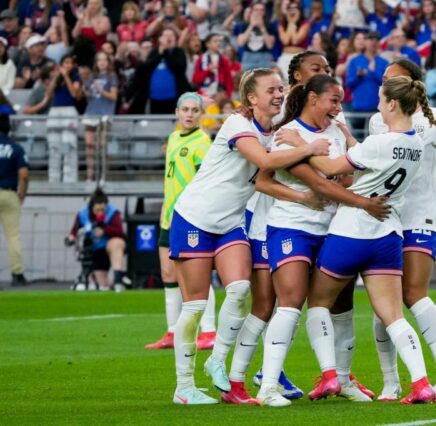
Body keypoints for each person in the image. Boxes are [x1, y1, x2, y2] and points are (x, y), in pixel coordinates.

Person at [168, 68, 329, 405]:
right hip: (194, 218)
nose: (278, 94)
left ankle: (217, 360)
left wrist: (303, 194)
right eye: (270, 89)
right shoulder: (238, 126)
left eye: (280, 89)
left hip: (230, 222)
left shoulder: (272, 131)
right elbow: (264, 161)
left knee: (240, 289)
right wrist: (308, 147)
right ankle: (184, 387)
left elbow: (262, 181)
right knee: (196, 305)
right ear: (251, 98)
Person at [254, 74, 389, 407]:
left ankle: (341, 379)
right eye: (333, 100)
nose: (338, 107)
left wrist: (343, 156)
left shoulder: (333, 133)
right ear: (313, 99)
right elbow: (322, 185)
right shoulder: (289, 137)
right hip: (292, 227)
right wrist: (365, 204)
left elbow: (345, 175)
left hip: (332, 228)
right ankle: (268, 385)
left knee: (342, 306)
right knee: (291, 299)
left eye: (341, 101)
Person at [302, 75, 434, 405]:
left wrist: (300, 146)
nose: (377, 103)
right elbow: (366, 157)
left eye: (380, 98)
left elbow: (331, 167)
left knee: (318, 303)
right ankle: (421, 383)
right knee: (393, 315)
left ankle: (331, 376)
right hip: (388, 234)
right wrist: (346, 134)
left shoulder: (379, 143)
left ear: (391, 104)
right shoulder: (416, 143)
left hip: (351, 230)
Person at [369, 58, 436, 402]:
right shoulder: (377, 120)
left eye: (391, 77)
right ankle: (391, 381)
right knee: (383, 306)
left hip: (420, 217)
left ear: (411, 83)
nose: (384, 82)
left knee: (414, 293)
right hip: (385, 217)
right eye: (384, 78)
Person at [145, 93, 217, 351]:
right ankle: (172, 331)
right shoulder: (174, 137)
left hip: (190, 216)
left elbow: (207, 182)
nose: (189, 114)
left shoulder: (203, 142)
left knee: (195, 274)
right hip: (169, 215)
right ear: (177, 112)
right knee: (167, 272)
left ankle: (209, 331)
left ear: (201, 114)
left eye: (194, 110)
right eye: (185, 109)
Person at [67, 189, 128, 291]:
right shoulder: (82, 214)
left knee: (117, 243)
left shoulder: (113, 213)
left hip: (109, 248)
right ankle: (106, 283)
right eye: (97, 209)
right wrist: (70, 238)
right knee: (100, 284)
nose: (100, 212)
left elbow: (120, 232)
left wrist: (105, 230)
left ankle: (118, 278)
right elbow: (74, 231)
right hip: (95, 251)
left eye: (102, 209)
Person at [0, 112, 29, 287]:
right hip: (9, 193)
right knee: (13, 236)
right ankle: (17, 274)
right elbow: (24, 175)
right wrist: (22, 195)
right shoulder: (16, 148)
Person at [82, 51, 118, 183]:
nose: (102, 62)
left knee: (103, 146)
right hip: (91, 112)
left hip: (105, 114)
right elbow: (87, 94)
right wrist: (87, 91)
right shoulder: (92, 76)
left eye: (104, 60)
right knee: (89, 145)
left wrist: (101, 90)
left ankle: (103, 176)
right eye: (99, 60)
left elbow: (114, 96)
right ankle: (89, 176)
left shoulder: (112, 77)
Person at [46, 53, 81, 183]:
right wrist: (56, 77)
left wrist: (66, 76)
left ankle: (70, 178)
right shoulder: (57, 77)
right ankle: (53, 178)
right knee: (54, 144)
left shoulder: (75, 77)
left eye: (69, 63)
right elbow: (48, 93)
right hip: (55, 110)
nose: (67, 65)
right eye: (65, 63)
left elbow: (74, 94)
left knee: (69, 143)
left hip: (69, 110)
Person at [345, 30, 388, 133]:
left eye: (376, 40)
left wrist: (373, 72)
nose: (373, 42)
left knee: (374, 139)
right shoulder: (355, 61)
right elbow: (348, 84)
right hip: (358, 107)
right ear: (365, 42)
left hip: (376, 108)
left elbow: (386, 85)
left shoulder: (383, 62)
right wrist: (358, 76)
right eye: (370, 39)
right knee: (357, 138)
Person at [144, 28, 190, 114]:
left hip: (175, 97)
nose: (168, 38)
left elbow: (178, 68)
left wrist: (165, 52)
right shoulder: (154, 52)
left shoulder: (179, 52)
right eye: (166, 35)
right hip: (155, 98)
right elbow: (146, 68)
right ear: (160, 39)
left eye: (171, 35)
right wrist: (159, 54)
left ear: (175, 39)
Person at [234, 2, 276, 71]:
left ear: (265, 12)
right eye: (256, 10)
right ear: (252, 11)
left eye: (261, 10)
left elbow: (270, 45)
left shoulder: (269, 25)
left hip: (264, 56)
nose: (259, 12)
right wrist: (251, 25)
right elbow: (241, 43)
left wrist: (262, 27)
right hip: (248, 56)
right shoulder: (244, 25)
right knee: (247, 80)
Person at [192, 33, 234, 98]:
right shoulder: (201, 59)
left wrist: (228, 96)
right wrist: (207, 70)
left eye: (219, 41)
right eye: (215, 41)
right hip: (204, 93)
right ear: (207, 44)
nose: (218, 43)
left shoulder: (223, 60)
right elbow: (196, 79)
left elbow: (228, 79)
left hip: (220, 94)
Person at [276, 1, 310, 78]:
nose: (292, 11)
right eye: (290, 9)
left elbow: (295, 40)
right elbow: (285, 40)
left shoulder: (305, 23)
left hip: (299, 56)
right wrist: (291, 23)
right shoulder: (282, 24)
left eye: (295, 9)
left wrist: (293, 22)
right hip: (285, 56)